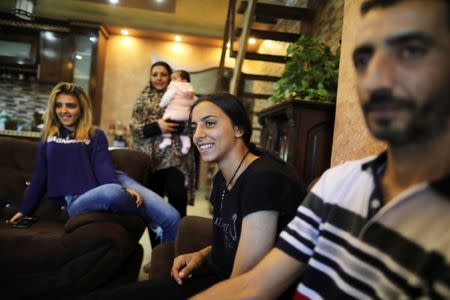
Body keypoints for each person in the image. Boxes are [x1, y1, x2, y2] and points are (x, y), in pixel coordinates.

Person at [192, 0, 450, 299]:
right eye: (364, 58)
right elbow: (252, 286)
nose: (376, 76)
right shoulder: (337, 184)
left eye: (410, 50)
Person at [81, 93, 305, 300]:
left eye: (209, 123)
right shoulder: (222, 180)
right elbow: (232, 241)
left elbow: (246, 284)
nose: (198, 135)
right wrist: (202, 255)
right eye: (194, 127)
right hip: (222, 281)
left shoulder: (263, 178)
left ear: (238, 129)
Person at [9, 82, 180, 246]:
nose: (63, 111)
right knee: (113, 193)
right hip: (79, 198)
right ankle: (146, 215)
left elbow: (103, 165)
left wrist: (121, 188)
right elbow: (40, 175)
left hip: (115, 180)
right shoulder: (48, 136)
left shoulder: (95, 133)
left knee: (172, 218)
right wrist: (24, 209)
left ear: (81, 108)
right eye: (58, 105)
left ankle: (167, 271)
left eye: (70, 105)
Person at [129, 61, 196, 222]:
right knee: (153, 206)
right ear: (150, 77)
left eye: (163, 74)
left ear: (170, 77)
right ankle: (156, 246)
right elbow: (134, 127)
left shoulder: (183, 94)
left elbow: (193, 122)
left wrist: (174, 126)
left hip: (176, 158)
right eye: (155, 74)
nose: (159, 78)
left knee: (178, 201)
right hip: (150, 160)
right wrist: (157, 126)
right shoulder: (142, 99)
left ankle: (177, 245)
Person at [159, 69, 196, 155]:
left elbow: (165, 100)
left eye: (175, 78)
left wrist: (161, 104)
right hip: (186, 116)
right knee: (184, 132)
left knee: (165, 124)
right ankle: (186, 143)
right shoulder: (191, 91)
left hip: (172, 115)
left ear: (184, 80)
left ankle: (167, 140)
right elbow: (194, 102)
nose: (172, 81)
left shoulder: (173, 89)